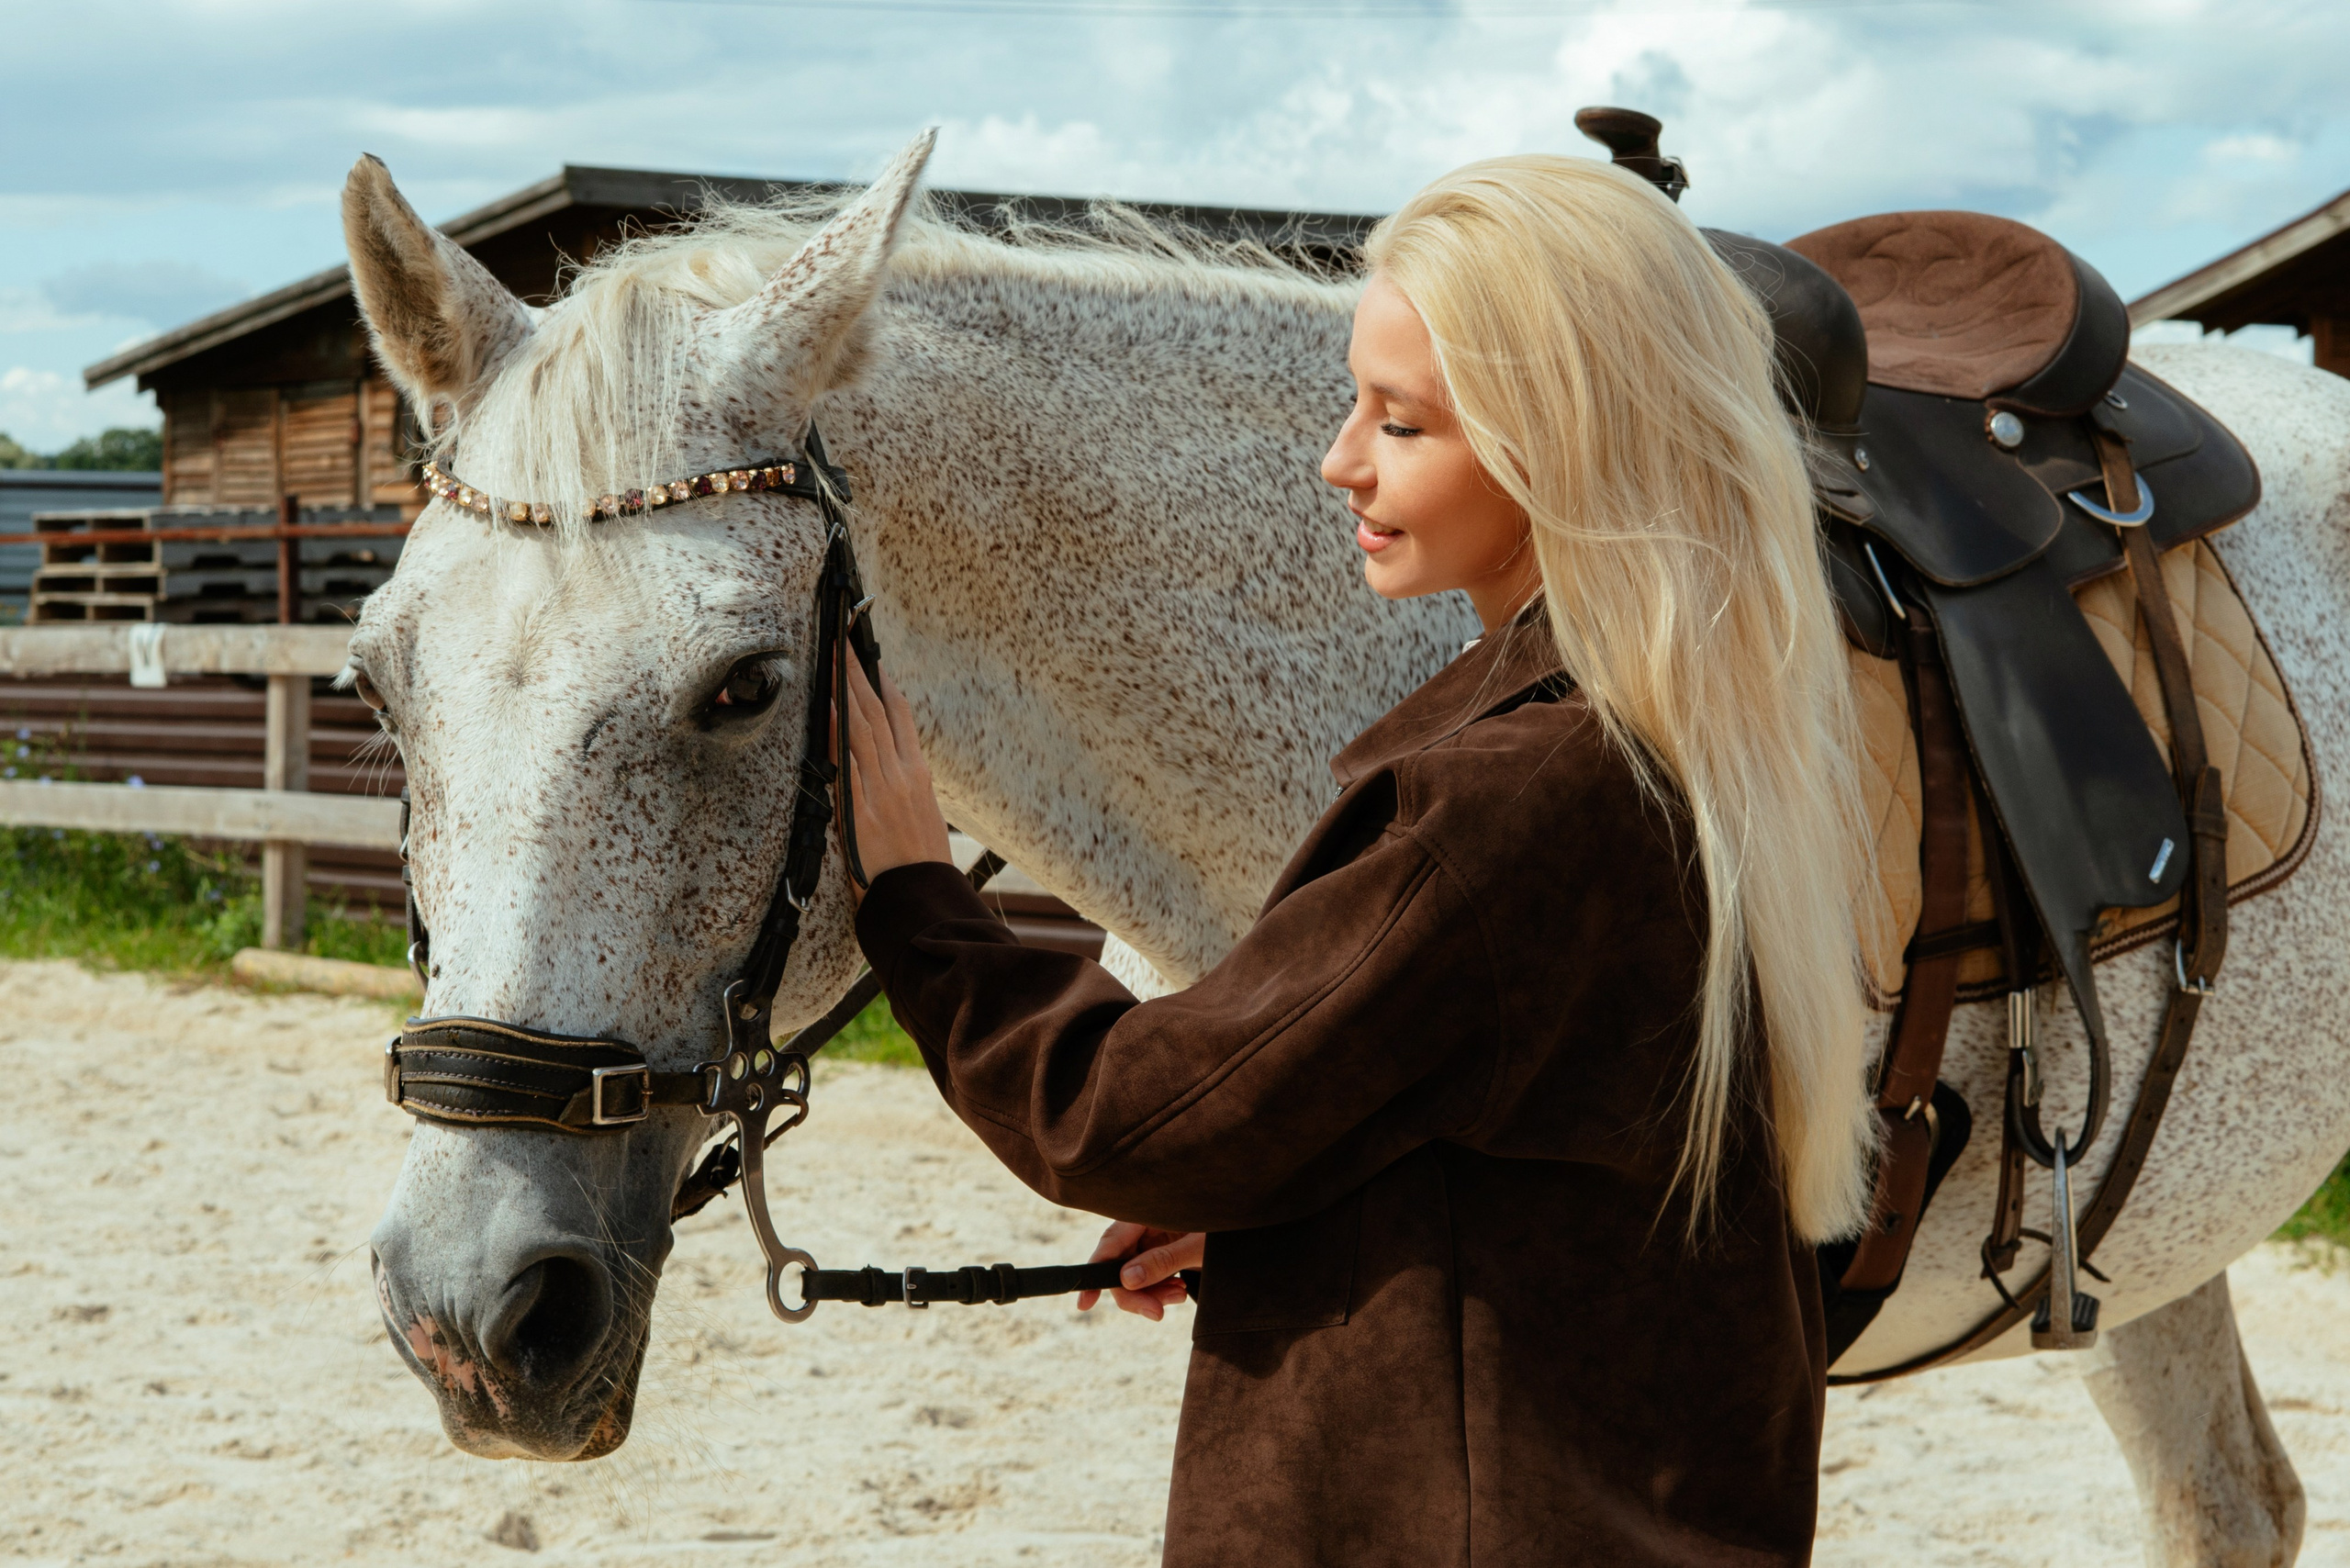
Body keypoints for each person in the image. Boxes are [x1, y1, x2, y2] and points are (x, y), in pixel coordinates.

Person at [836, 153, 1875, 1566]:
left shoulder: (1502, 802)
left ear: (1554, 439)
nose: (1341, 461)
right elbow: (1566, 1165)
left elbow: (1128, 1118)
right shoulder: (1693, 732)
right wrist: (1323, 1218)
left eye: (1401, 423)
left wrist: (921, 904)